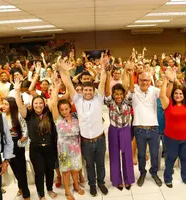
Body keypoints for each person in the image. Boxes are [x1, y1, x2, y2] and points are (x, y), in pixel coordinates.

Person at [57, 54, 108, 196]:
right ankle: (92, 185)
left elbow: (103, 82)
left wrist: (103, 67)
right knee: (89, 165)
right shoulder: (78, 100)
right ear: (82, 91)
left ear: (93, 91)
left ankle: (101, 183)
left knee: (101, 164)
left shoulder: (99, 99)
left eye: (90, 90)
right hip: (85, 141)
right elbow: (67, 83)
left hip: (100, 139)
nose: (87, 92)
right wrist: (63, 70)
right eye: (85, 90)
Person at [15, 78, 58, 200]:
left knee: (50, 170)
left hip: (50, 147)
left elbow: (54, 101)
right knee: (39, 173)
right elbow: (19, 105)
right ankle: (41, 194)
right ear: (32, 105)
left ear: (44, 104)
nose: (38, 105)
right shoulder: (28, 115)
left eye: (41, 103)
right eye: (36, 103)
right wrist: (17, 91)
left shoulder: (49, 113)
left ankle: (49, 189)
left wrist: (55, 87)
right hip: (36, 149)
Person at [160, 70, 186, 188]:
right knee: (171, 158)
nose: (178, 95)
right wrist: (166, 80)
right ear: (173, 95)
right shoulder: (167, 104)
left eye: (181, 94)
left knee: (184, 158)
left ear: (184, 95)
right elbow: (162, 95)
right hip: (171, 138)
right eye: (176, 93)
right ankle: (168, 178)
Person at [49, 73, 84, 200]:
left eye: (66, 109)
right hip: (63, 149)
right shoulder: (57, 118)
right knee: (65, 171)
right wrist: (56, 87)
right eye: (62, 109)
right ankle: (67, 191)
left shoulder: (75, 116)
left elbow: (74, 96)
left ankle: (76, 185)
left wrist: (68, 84)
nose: (64, 111)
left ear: (70, 108)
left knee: (75, 169)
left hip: (76, 147)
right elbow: (53, 103)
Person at [105, 65, 135, 191]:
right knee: (114, 155)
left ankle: (128, 179)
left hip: (125, 130)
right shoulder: (110, 102)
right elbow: (107, 92)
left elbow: (131, 89)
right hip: (113, 130)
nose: (118, 96)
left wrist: (130, 74)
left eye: (120, 94)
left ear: (123, 94)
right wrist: (107, 74)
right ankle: (117, 180)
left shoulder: (127, 102)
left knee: (127, 154)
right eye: (116, 94)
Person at [133, 71, 162, 187]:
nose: (144, 82)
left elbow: (167, 95)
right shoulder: (133, 90)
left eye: (147, 80)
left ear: (150, 80)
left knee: (155, 154)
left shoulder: (154, 90)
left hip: (153, 128)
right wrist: (129, 71)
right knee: (141, 154)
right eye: (142, 80)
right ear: (138, 80)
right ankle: (142, 173)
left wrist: (169, 81)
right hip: (139, 129)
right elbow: (126, 84)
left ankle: (154, 172)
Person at [0, 97, 30, 199]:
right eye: (3, 103)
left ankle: (26, 193)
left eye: (6, 104)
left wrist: (21, 140)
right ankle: (20, 187)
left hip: (16, 144)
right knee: (13, 167)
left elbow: (25, 129)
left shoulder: (17, 115)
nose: (3, 106)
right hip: (6, 145)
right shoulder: (1, 115)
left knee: (21, 169)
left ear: (12, 105)